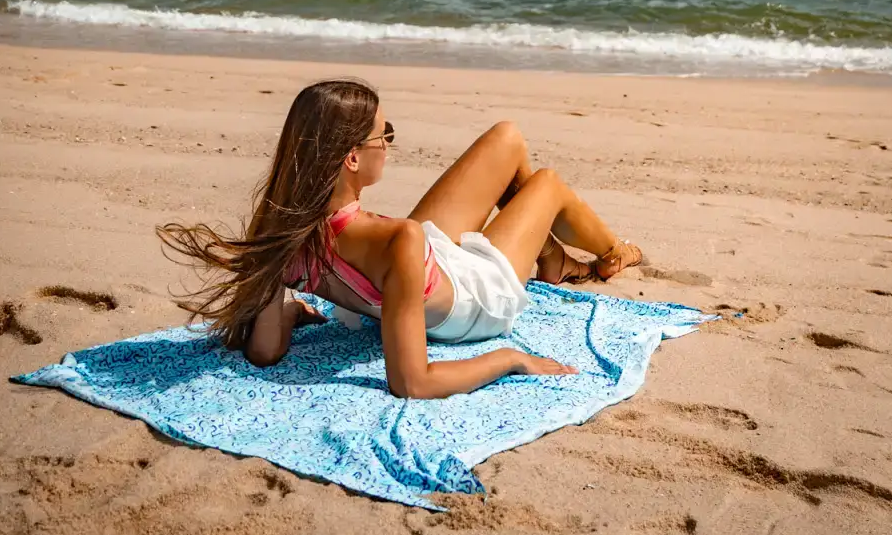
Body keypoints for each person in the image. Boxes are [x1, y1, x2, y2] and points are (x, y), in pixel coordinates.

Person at [158, 79, 643, 400]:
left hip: (420, 265)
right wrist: (510, 359)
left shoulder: (280, 231)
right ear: (351, 157)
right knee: (548, 184)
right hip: (476, 300)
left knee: (507, 137)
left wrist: (285, 311)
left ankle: (553, 258)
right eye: (382, 136)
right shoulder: (398, 240)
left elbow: (264, 352)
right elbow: (411, 382)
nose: (388, 146)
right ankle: (611, 253)